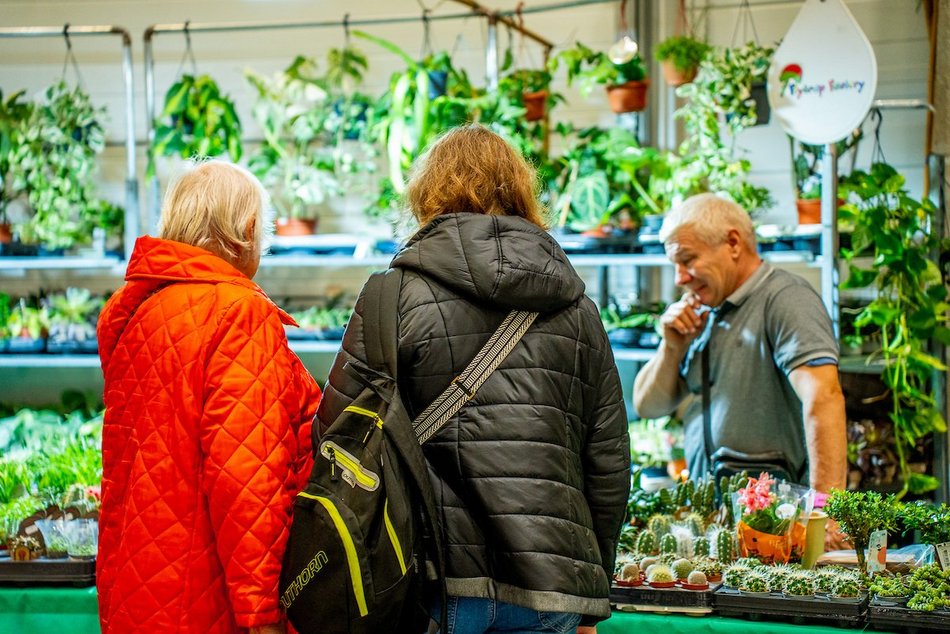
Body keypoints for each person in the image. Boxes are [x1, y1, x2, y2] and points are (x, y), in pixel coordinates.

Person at [317, 124, 630, 634]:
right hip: (549, 587)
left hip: (430, 578)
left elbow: (338, 435)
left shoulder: (390, 297)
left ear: (426, 194)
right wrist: (592, 596)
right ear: (521, 193)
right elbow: (608, 463)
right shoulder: (577, 310)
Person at [96, 160, 321, 634]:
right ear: (249, 229)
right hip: (208, 602)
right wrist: (262, 615)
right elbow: (247, 484)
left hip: (137, 590)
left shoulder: (140, 312)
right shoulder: (237, 314)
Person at [632, 193, 849, 549]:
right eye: (674, 265)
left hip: (775, 522)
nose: (680, 278)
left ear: (733, 243)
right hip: (717, 521)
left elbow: (823, 398)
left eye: (688, 260)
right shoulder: (706, 312)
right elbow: (648, 406)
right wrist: (672, 346)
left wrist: (825, 512)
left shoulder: (786, 299)